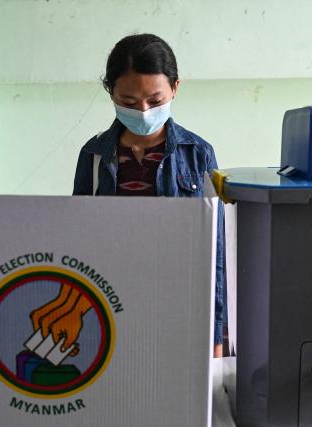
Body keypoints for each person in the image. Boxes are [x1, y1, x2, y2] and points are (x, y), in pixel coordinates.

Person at [72, 33, 226, 357]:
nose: (142, 111)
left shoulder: (198, 154)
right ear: (110, 92)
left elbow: (217, 248)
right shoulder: (94, 154)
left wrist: (216, 329)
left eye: (155, 101)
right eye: (128, 102)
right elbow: (77, 243)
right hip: (110, 299)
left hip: (179, 296)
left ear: (175, 88)